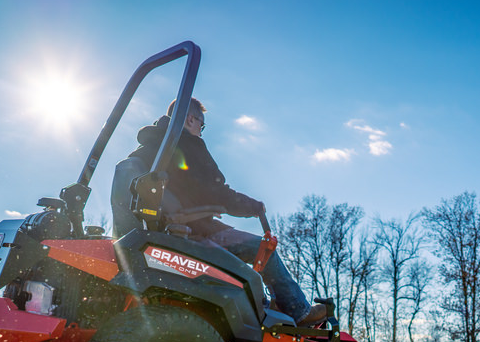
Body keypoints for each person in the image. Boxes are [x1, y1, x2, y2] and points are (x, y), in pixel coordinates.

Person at [110, 97, 327, 327]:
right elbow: (215, 191)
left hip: (163, 229)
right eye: (201, 126)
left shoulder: (149, 149)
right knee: (262, 249)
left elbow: (181, 190)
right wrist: (251, 206)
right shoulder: (187, 144)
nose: (201, 133)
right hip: (193, 231)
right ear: (190, 119)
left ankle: (271, 305)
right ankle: (299, 311)